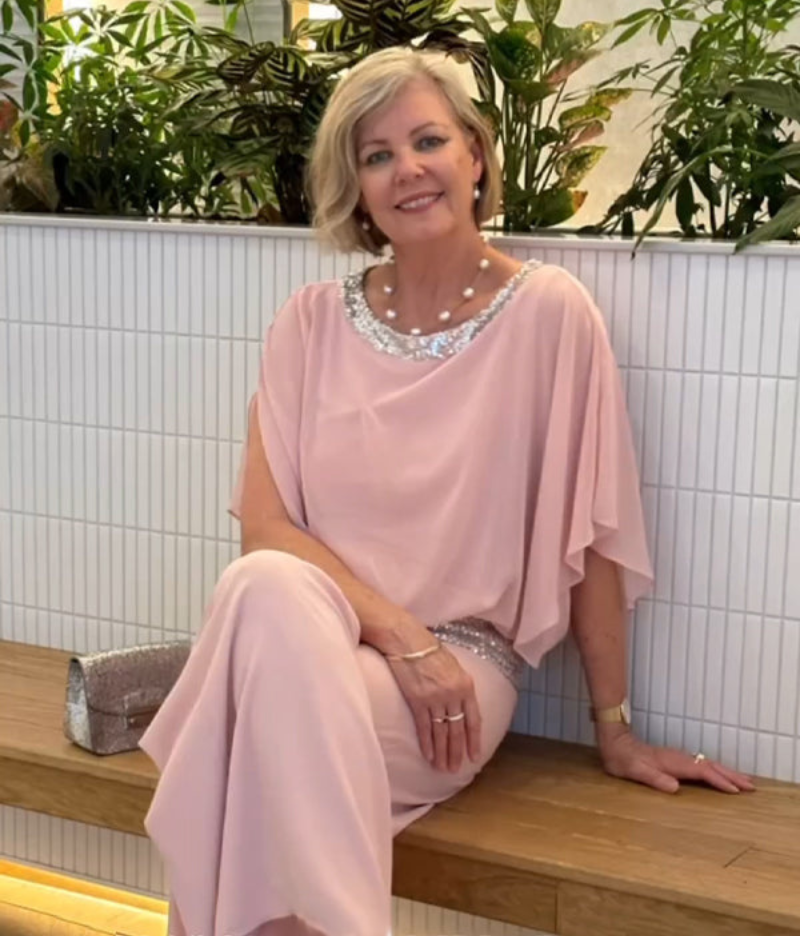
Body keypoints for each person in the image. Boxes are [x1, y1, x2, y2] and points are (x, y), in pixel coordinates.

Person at [139, 46, 754, 936]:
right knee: (261, 585)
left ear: (475, 154)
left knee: (247, 726)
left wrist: (614, 729)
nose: (408, 169)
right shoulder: (307, 323)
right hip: (326, 645)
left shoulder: (550, 315)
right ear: (356, 187)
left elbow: (591, 541)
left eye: (427, 140)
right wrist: (403, 638)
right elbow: (266, 530)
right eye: (377, 154)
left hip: (456, 688)